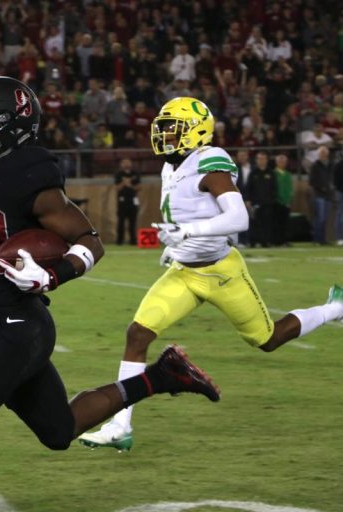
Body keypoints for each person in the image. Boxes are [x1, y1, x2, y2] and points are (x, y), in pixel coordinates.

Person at [0, 77, 223, 511]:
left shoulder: (31, 176)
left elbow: (90, 240)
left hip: (17, 324)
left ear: (12, 128)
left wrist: (51, 277)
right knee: (59, 430)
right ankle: (163, 376)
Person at [79, 97, 343, 452]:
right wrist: (175, 246)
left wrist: (187, 234)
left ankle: (334, 308)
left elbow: (239, 219)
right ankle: (120, 426)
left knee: (268, 339)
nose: (165, 135)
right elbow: (182, 214)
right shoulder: (172, 165)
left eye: (173, 128)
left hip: (221, 273)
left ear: (196, 131)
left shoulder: (210, 162)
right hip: (184, 272)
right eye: (164, 128)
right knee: (138, 333)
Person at [245, 151, 278, 247]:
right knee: (254, 223)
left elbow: (274, 188)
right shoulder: (253, 173)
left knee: (267, 223)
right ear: (256, 160)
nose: (261, 161)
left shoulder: (271, 173)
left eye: (263, 159)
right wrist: (247, 200)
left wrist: (272, 199)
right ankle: (253, 242)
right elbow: (248, 187)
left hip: (268, 203)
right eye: (259, 159)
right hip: (255, 203)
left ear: (267, 160)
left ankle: (265, 242)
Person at [309, 146, 335, 245]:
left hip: (329, 195)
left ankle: (323, 239)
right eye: (321, 153)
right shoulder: (315, 165)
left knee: (325, 218)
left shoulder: (331, 165)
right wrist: (321, 187)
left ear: (327, 154)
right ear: (318, 154)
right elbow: (312, 181)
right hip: (319, 194)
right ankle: (316, 239)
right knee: (319, 218)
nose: (323, 155)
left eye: (325, 153)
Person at [114, 157, 140, 245]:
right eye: (124, 162)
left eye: (128, 162)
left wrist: (129, 184)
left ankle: (133, 241)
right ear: (121, 164)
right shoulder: (118, 174)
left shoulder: (135, 174)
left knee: (132, 222)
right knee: (121, 222)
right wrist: (124, 183)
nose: (126, 164)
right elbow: (117, 188)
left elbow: (139, 187)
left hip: (133, 200)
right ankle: (119, 241)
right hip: (122, 201)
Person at [273, 154, 293, 246]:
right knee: (277, 222)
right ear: (276, 163)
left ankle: (285, 240)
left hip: (286, 202)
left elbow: (290, 188)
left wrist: (289, 199)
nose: (282, 163)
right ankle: (277, 240)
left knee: (286, 222)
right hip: (277, 202)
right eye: (280, 161)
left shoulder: (288, 174)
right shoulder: (273, 174)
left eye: (284, 162)